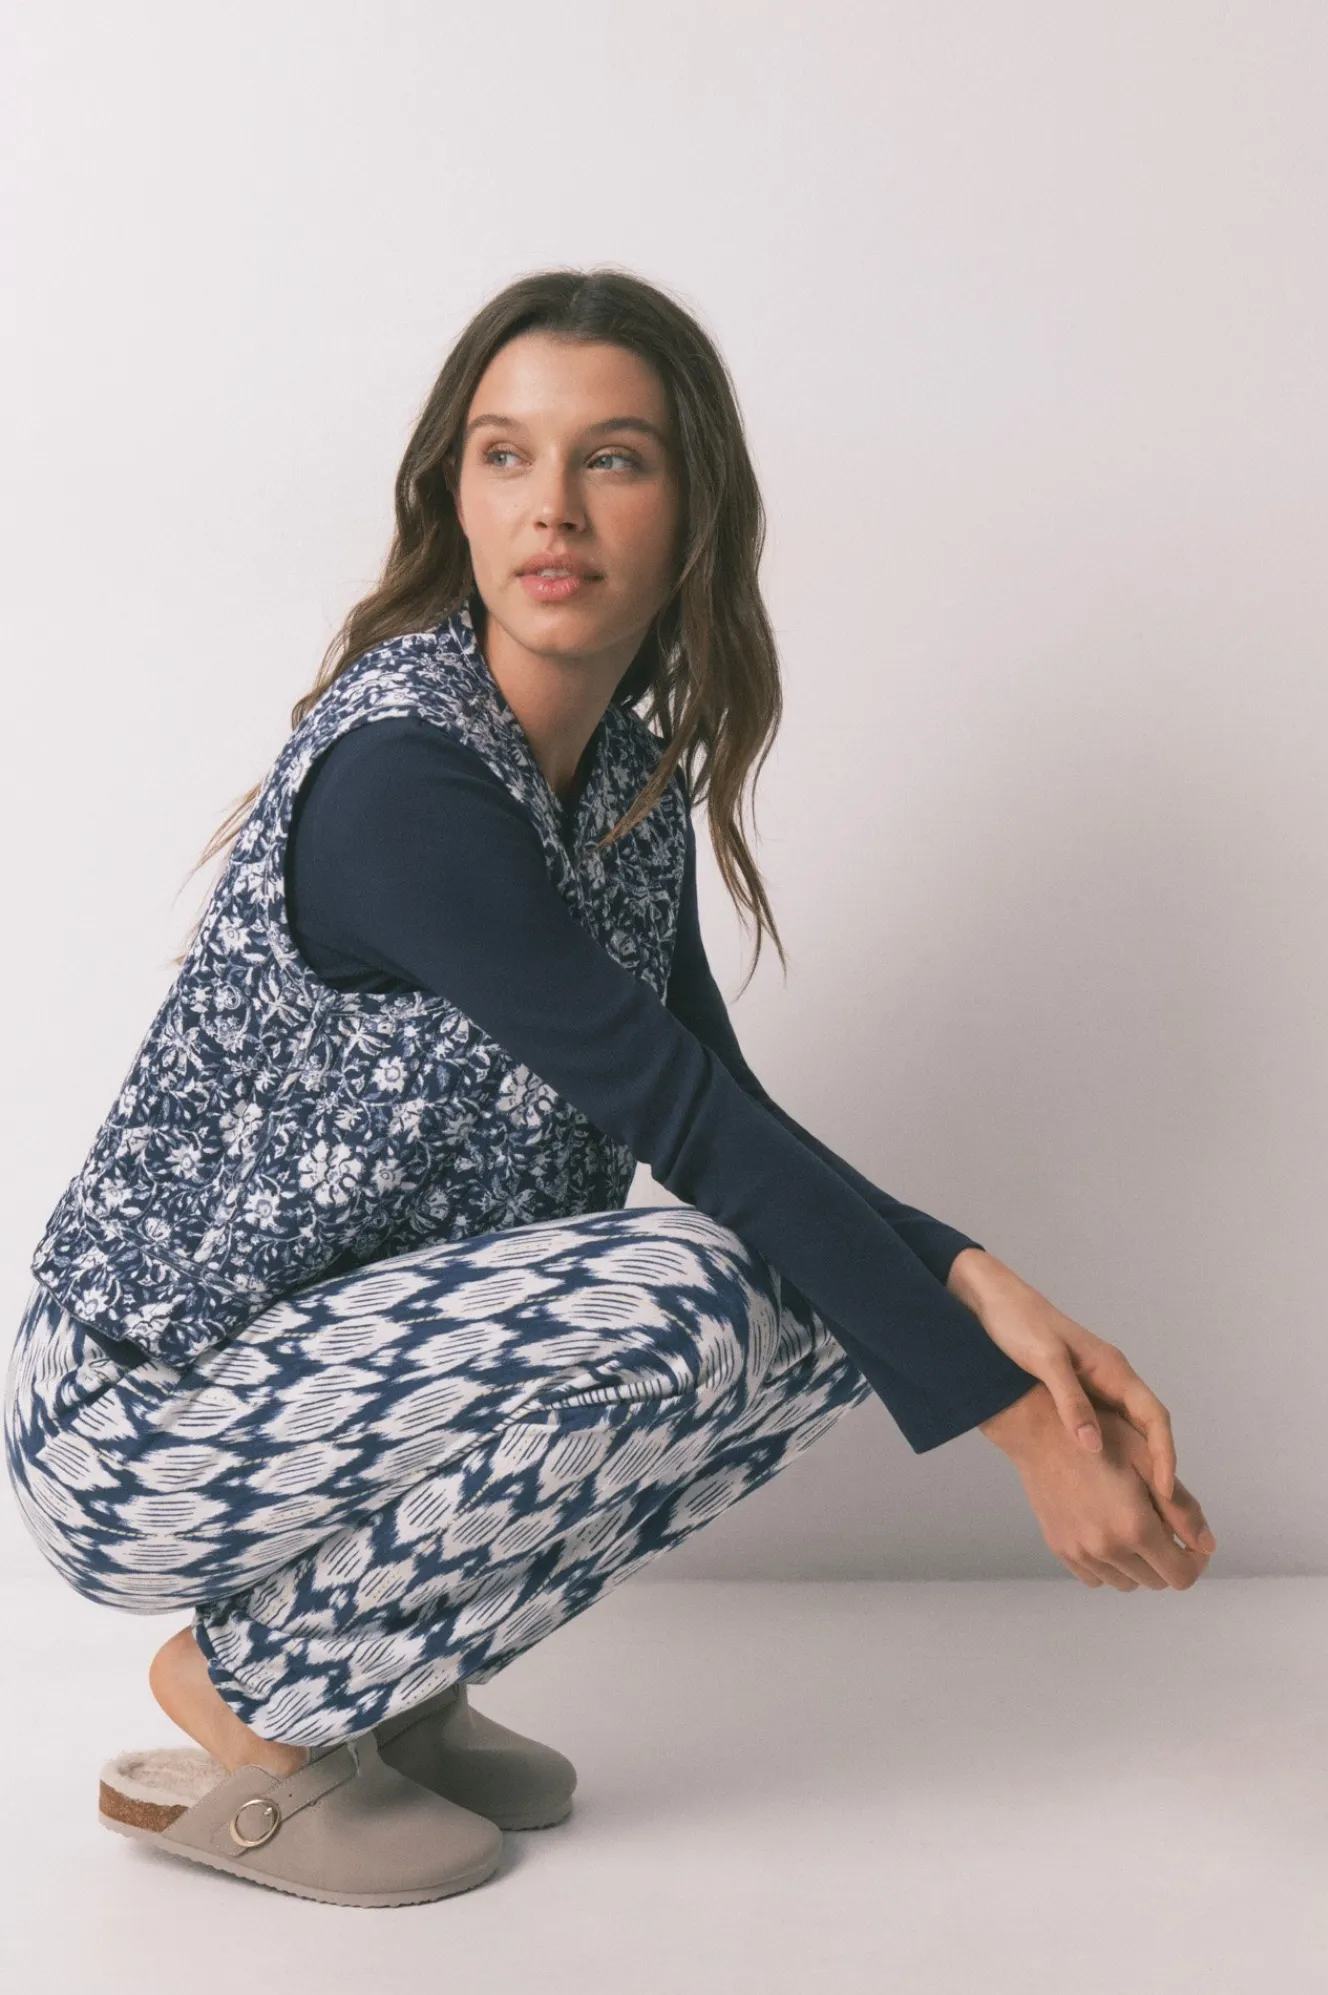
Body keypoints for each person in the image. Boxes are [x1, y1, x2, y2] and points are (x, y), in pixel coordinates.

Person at [3, 266, 1216, 1909]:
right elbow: (690, 1130)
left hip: (324, 1376)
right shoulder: (406, 780)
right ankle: (255, 1700)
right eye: (505, 454)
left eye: (614, 459)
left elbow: (729, 1117)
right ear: (451, 493)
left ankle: (381, 1683)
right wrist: (1020, 1428)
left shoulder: (622, 779)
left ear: (692, 502)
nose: (552, 508)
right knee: (716, 1293)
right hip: (145, 1414)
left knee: (824, 1305)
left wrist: (988, 1292)